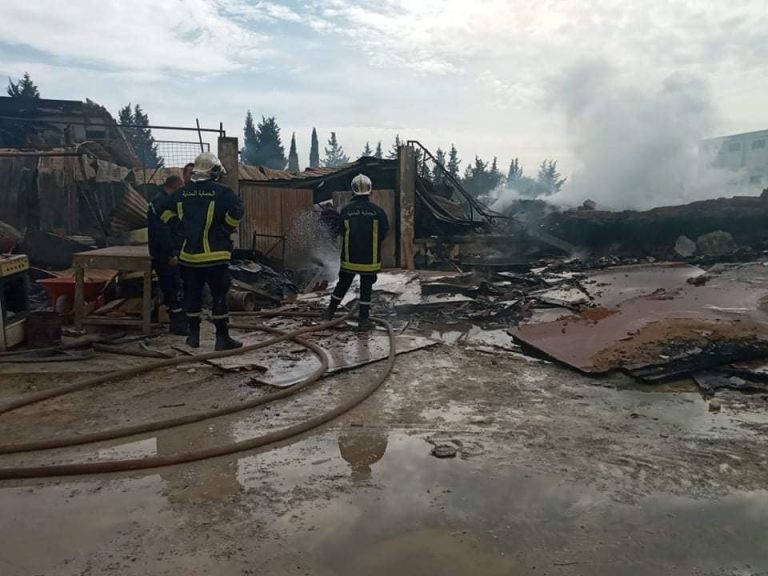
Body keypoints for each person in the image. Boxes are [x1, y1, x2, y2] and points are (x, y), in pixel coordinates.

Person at [159, 152, 244, 350]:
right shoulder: (223, 192)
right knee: (219, 297)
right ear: (214, 172)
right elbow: (238, 210)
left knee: (192, 297)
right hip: (216, 256)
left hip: (189, 257)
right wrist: (226, 228)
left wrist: (178, 227)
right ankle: (222, 339)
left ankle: (193, 337)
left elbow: (161, 210)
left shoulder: (181, 193)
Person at [324, 174, 389, 330]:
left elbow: (340, 231)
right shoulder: (378, 211)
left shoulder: (346, 211)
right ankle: (363, 320)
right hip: (370, 260)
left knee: (342, 284)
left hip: (349, 259)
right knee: (366, 289)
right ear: (370, 190)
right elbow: (384, 232)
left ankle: (329, 313)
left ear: (353, 190)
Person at [147, 174, 186, 335]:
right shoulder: (162, 203)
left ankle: (178, 321)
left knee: (173, 285)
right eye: (181, 187)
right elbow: (163, 232)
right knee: (172, 286)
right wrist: (171, 253)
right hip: (164, 253)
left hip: (163, 250)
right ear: (175, 186)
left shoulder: (161, 200)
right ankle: (178, 325)